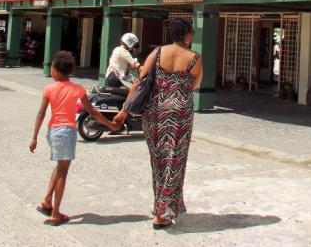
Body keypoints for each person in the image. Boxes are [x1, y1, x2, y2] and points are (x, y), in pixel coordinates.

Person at [114, 18, 203, 229]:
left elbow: (139, 80)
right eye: (191, 33)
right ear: (186, 34)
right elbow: (195, 85)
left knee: (159, 160)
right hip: (179, 115)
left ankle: (159, 205)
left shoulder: (157, 53)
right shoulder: (194, 58)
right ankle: (163, 213)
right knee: (175, 161)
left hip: (154, 113)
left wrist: (124, 110)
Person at [29, 51, 120, 226]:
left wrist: (34, 137)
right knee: (63, 171)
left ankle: (47, 200)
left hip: (53, 132)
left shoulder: (48, 89)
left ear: (55, 71)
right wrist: (111, 125)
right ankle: (55, 214)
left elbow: (41, 114)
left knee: (59, 167)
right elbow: (92, 112)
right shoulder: (78, 89)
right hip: (67, 133)